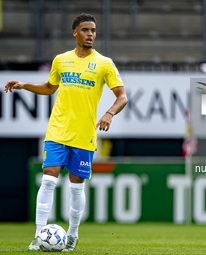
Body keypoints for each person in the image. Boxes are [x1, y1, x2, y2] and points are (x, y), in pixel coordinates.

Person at [4, 13, 128, 252]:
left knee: (75, 187)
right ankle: (39, 235)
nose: (90, 34)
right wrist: (25, 85)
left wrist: (109, 113)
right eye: (85, 30)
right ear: (75, 33)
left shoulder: (104, 63)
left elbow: (122, 97)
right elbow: (51, 87)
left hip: (84, 134)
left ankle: (72, 234)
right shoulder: (61, 60)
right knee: (49, 178)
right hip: (58, 130)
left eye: (93, 30)